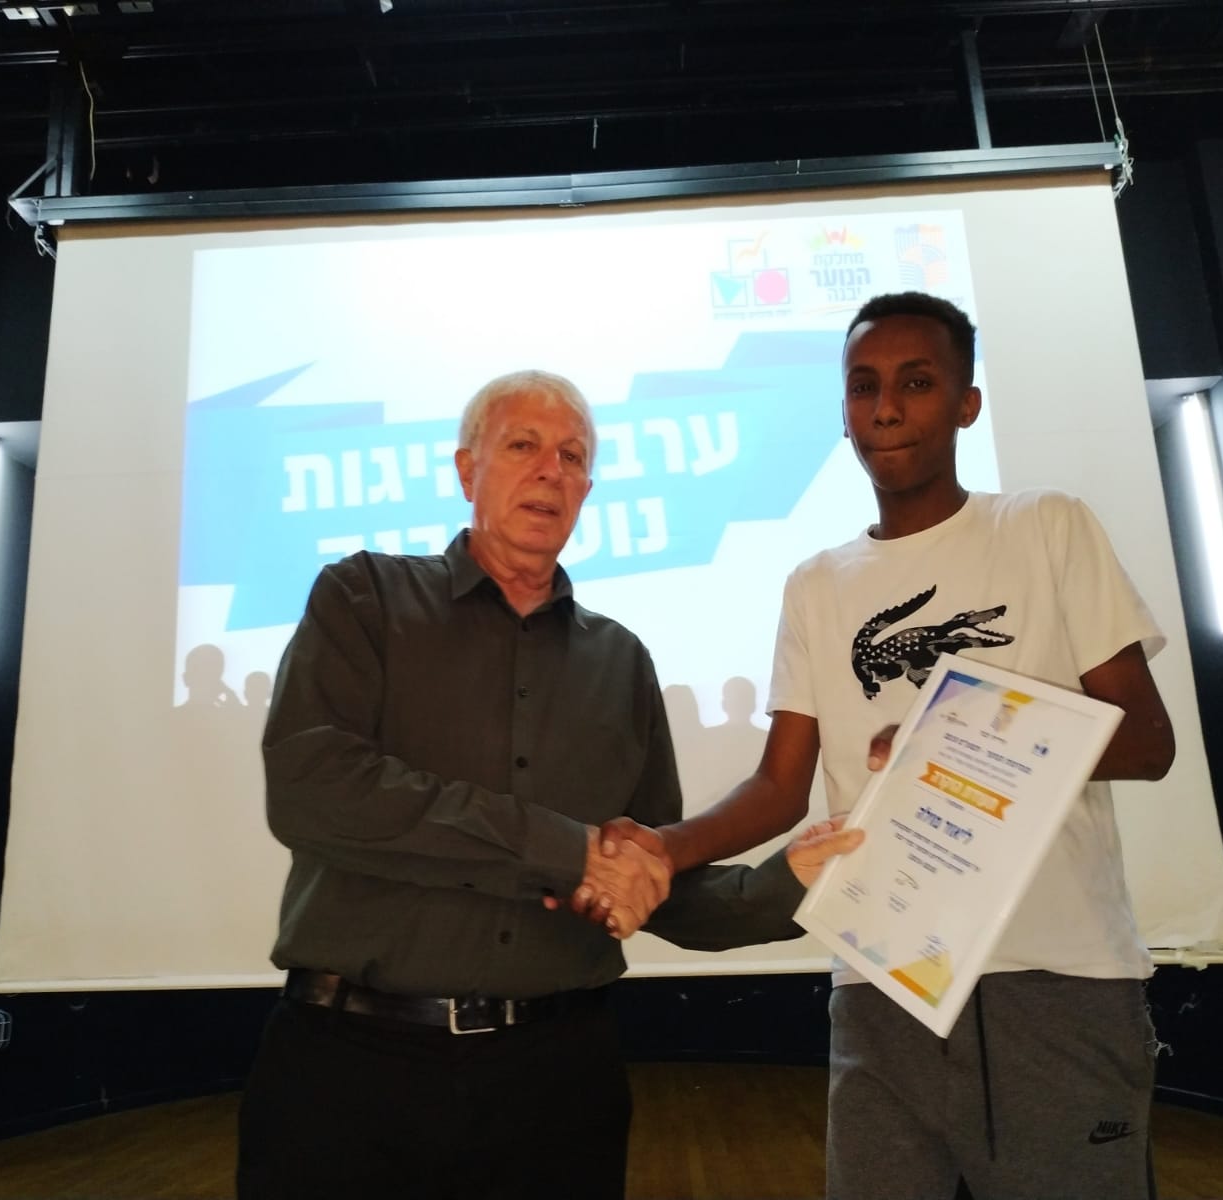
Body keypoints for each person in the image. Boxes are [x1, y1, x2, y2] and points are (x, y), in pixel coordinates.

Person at [600, 293, 1176, 1199]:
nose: (887, 408)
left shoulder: (1046, 525)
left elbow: (1146, 740)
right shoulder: (816, 584)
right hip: (881, 977)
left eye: (916, 383)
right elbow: (779, 790)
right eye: (864, 387)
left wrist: (955, 732)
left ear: (967, 403)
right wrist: (661, 848)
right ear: (843, 414)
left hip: (1058, 976)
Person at [236, 368, 862, 1200]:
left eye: (572, 457)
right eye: (523, 446)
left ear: (587, 491)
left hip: (557, 1086)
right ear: (467, 470)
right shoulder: (364, 597)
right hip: (349, 1076)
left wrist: (789, 884)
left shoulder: (622, 663)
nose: (550, 470)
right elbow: (313, 788)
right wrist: (569, 853)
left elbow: (654, 882)